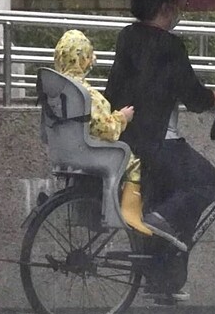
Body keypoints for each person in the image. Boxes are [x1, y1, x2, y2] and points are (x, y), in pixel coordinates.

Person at [104, 0, 215, 301]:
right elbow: (197, 99)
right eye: (175, 3)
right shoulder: (169, 46)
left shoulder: (128, 37)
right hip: (158, 143)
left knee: (172, 207)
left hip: (127, 141)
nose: (178, 10)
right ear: (163, 8)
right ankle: (156, 223)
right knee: (207, 183)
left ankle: (163, 283)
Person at [53, 29, 152, 237]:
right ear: (83, 59)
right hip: (90, 151)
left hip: (67, 149)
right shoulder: (85, 93)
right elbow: (106, 130)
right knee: (132, 161)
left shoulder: (59, 89)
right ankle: (129, 212)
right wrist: (122, 117)